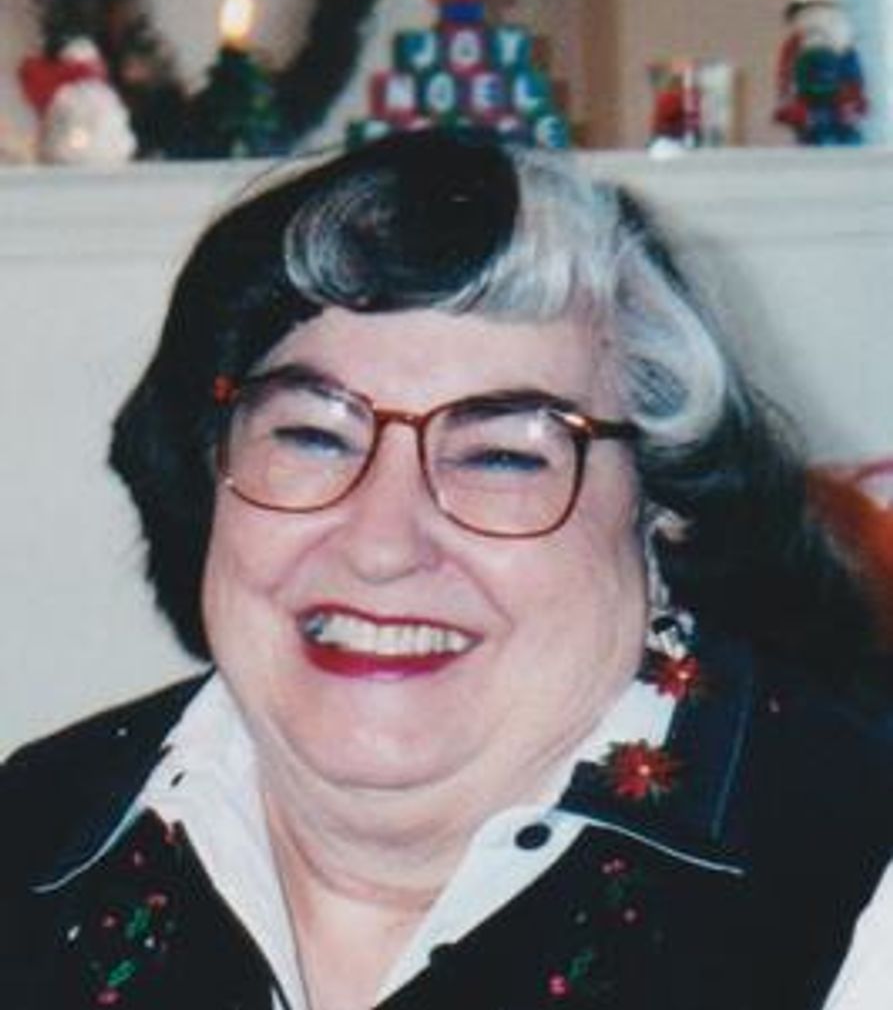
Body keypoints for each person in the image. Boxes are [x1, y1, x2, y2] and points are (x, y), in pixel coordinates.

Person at [2, 129, 890, 1010]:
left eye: (502, 455)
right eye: (312, 436)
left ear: (661, 513)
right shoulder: (34, 828)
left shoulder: (857, 882)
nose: (381, 545)